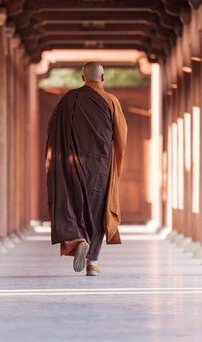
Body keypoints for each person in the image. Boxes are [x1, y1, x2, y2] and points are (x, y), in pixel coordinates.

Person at [45, 62, 128, 276]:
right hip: (100, 166)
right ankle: (92, 263)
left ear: (83, 78)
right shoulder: (111, 101)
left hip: (70, 165)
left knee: (70, 203)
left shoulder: (67, 100)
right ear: (103, 78)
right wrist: (114, 163)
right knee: (97, 211)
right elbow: (121, 136)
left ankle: (78, 239)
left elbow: (53, 131)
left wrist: (57, 162)